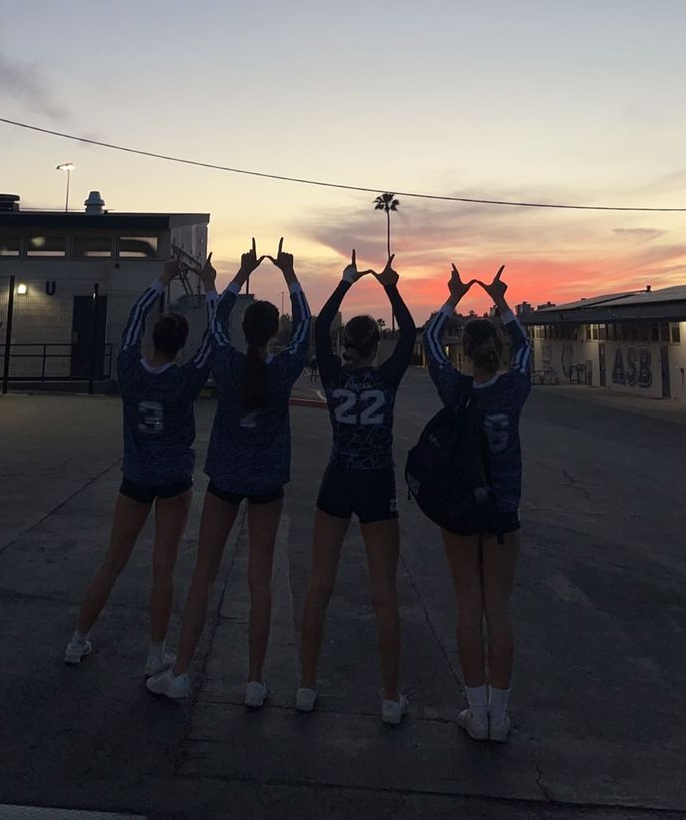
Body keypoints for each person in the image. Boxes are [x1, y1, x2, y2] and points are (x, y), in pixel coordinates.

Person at [147, 238, 311, 706]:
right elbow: (304, 331)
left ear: (245, 328)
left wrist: (231, 278)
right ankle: (255, 682)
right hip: (267, 483)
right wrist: (290, 275)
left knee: (204, 574)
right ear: (272, 330)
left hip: (224, 479)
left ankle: (180, 672)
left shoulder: (224, 359)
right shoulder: (284, 369)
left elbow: (215, 320)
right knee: (260, 580)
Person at [64, 255, 217, 673]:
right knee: (163, 568)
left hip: (135, 476)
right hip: (173, 480)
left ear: (153, 338)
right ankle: (155, 653)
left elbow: (133, 319)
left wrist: (160, 281)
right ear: (180, 345)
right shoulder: (185, 380)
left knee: (113, 560)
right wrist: (211, 288)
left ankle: (79, 639)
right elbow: (214, 342)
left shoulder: (130, 370)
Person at [298, 250, 416, 724]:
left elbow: (317, 325)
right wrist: (390, 285)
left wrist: (345, 282)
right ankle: (389, 697)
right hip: (377, 485)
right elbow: (409, 333)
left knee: (319, 585)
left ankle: (306, 684)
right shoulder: (386, 378)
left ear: (347, 343)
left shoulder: (332, 374)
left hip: (336, 478)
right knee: (383, 592)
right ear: (376, 346)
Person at [424, 263, 531, 743]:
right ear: (497, 350)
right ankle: (501, 716)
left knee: (469, 606)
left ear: (464, 353)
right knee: (499, 609)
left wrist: (451, 298)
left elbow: (428, 341)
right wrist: (502, 301)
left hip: (462, 508)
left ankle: (476, 710)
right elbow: (525, 348)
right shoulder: (513, 388)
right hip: (504, 509)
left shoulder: (457, 390)